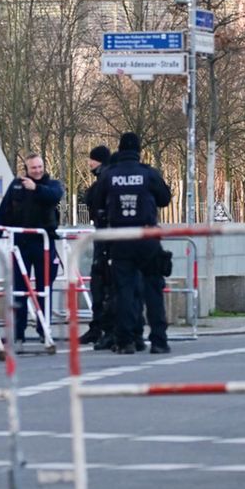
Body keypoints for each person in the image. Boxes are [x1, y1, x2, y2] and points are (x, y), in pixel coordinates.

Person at [102, 132, 172, 355]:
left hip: (120, 238)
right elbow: (165, 198)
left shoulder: (110, 174)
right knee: (153, 289)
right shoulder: (148, 173)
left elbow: (95, 199)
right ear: (139, 151)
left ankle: (126, 341)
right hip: (147, 237)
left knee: (124, 291)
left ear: (120, 149)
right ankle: (159, 340)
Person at [0, 153, 64, 344]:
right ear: (26, 169)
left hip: (44, 245)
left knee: (44, 289)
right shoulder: (16, 186)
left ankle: (44, 329)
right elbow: (4, 212)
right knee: (19, 289)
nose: (38, 171)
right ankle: (18, 332)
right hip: (21, 245)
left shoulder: (52, 185)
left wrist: (36, 189)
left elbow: (55, 196)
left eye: (40, 167)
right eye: (33, 168)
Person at [80, 145, 115, 349]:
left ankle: (104, 330)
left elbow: (91, 200)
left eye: (92, 159)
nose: (89, 163)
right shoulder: (106, 178)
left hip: (106, 240)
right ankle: (99, 328)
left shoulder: (104, 180)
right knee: (101, 286)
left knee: (102, 286)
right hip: (106, 239)